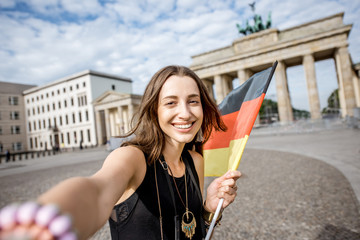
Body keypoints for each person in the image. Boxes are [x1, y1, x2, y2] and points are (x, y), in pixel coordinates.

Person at [0, 65, 241, 240]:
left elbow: (193, 226)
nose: (185, 113)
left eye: (193, 101)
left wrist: (209, 208)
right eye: (170, 102)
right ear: (153, 110)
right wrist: (41, 223)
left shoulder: (195, 161)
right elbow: (96, 191)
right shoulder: (132, 158)